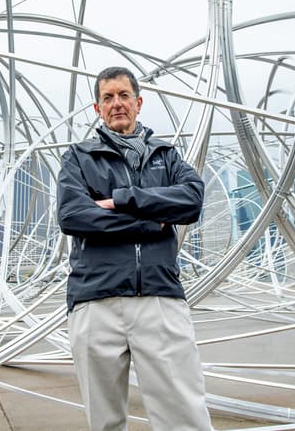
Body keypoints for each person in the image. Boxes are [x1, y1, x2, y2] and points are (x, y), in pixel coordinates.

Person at [57, 66, 212, 430]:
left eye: (124, 95)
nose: (116, 104)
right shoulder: (79, 158)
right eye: (107, 98)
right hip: (95, 300)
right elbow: (73, 216)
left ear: (139, 103)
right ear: (97, 109)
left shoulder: (167, 156)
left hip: (159, 297)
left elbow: (191, 202)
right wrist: (150, 218)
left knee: (184, 416)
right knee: (105, 421)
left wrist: (123, 199)